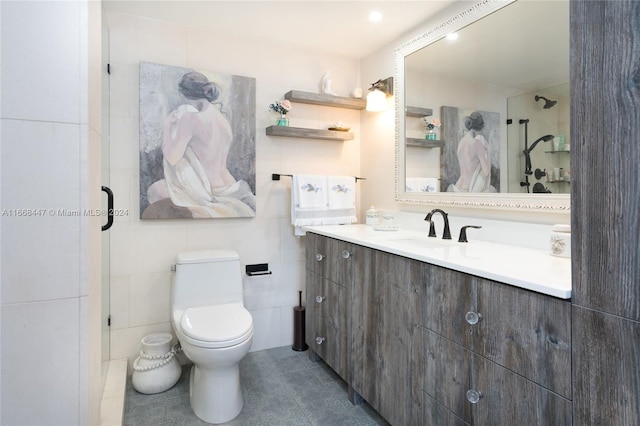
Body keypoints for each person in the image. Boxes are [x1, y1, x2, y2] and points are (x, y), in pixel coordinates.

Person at [145, 71, 256, 218]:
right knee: (158, 189)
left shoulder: (191, 119)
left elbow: (172, 157)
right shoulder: (222, 118)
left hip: (210, 190)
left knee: (154, 192)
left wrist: (167, 125)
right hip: (231, 185)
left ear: (183, 94)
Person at [448, 111, 496, 193]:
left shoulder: (461, 143)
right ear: (480, 127)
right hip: (470, 189)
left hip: (458, 187)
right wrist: (488, 151)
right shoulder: (477, 143)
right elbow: (486, 171)